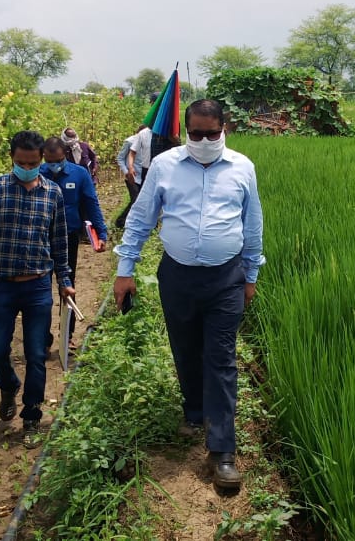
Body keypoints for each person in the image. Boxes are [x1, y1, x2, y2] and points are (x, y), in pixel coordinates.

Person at [113, 99, 264, 491]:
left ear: (223, 129)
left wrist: (251, 274)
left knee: (221, 357)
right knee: (185, 348)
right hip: (177, 275)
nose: (203, 141)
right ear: (186, 131)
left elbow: (253, 224)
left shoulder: (242, 168)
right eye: (195, 134)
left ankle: (223, 451)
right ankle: (194, 411)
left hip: (226, 277)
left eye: (211, 134)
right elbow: (141, 218)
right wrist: (124, 271)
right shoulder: (165, 166)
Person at [0, 130, 75, 447]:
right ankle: (9, 384)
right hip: (1, 284)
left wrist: (65, 281)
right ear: (11, 158)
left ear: (41, 160)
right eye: (21, 162)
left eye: (33, 163)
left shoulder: (52, 193)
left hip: (38, 286)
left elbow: (59, 243)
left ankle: (31, 417)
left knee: (37, 354)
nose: (27, 168)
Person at [39, 136, 108, 354]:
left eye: (58, 160)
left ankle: (66, 337)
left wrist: (101, 232)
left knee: (66, 285)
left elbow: (91, 202)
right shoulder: (37, 173)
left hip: (68, 238)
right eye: (50, 161)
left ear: (65, 156)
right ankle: (43, 338)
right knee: (40, 290)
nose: (54, 166)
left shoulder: (79, 174)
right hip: (39, 239)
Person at [113, 124, 150, 228]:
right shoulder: (129, 142)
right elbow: (120, 158)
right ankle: (120, 222)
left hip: (144, 176)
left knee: (140, 200)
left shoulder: (150, 142)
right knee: (135, 199)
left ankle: (134, 222)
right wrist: (126, 172)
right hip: (131, 177)